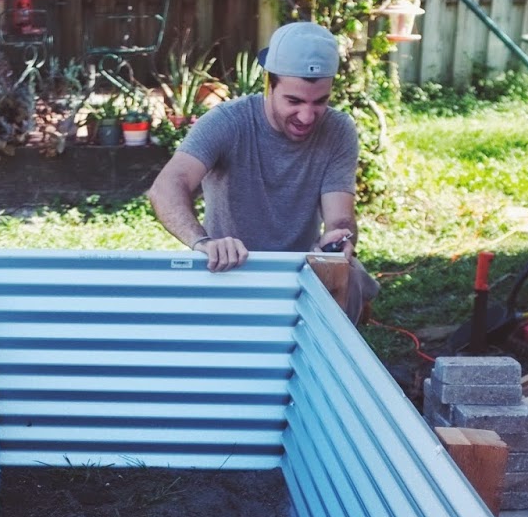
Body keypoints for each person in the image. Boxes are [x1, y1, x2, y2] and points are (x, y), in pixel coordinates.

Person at [146, 21, 380, 322]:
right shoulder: (226, 122)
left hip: (302, 271)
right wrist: (203, 243)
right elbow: (165, 187)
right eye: (294, 101)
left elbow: (340, 218)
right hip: (231, 268)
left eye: (320, 101)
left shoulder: (338, 129)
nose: (307, 116)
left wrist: (338, 240)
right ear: (269, 85)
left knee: (352, 277)